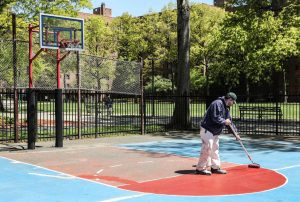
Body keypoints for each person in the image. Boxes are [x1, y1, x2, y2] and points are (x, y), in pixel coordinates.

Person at [195, 92, 240, 176]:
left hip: (215, 131)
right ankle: (200, 169)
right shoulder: (217, 103)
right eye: (233, 102)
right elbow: (215, 117)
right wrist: (224, 121)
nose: (233, 104)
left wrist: (236, 134)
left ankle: (215, 167)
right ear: (230, 99)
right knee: (207, 148)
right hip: (207, 129)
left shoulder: (226, 108)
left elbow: (229, 122)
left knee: (215, 149)